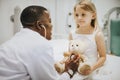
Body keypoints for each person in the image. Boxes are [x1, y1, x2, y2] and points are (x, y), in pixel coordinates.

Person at [0, 5, 70, 80]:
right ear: (39, 25)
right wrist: (69, 72)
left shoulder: (9, 43)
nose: (51, 25)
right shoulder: (41, 45)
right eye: (49, 21)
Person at [68, 0, 106, 80]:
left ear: (93, 16)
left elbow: (103, 57)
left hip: (90, 66)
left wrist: (91, 68)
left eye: (83, 14)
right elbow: (70, 53)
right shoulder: (72, 33)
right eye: (76, 15)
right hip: (75, 66)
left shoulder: (97, 34)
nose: (79, 18)